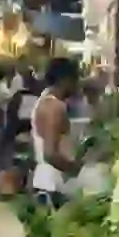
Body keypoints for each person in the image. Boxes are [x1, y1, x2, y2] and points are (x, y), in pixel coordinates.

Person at [31, 57, 82, 208]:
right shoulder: (54, 107)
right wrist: (75, 169)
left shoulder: (45, 99)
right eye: (75, 80)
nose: (77, 86)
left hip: (46, 181)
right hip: (53, 185)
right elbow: (50, 154)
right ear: (65, 80)